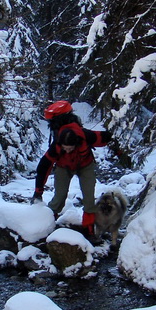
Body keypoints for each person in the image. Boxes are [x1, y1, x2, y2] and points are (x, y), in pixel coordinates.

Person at [31, 100, 113, 237]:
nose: (67, 150)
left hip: (85, 165)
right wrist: (38, 191)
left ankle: (89, 230)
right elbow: (43, 167)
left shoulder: (86, 136)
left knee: (88, 199)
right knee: (59, 198)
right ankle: (45, 227)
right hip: (63, 167)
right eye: (65, 148)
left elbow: (106, 137)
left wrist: (119, 150)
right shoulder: (56, 146)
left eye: (70, 148)